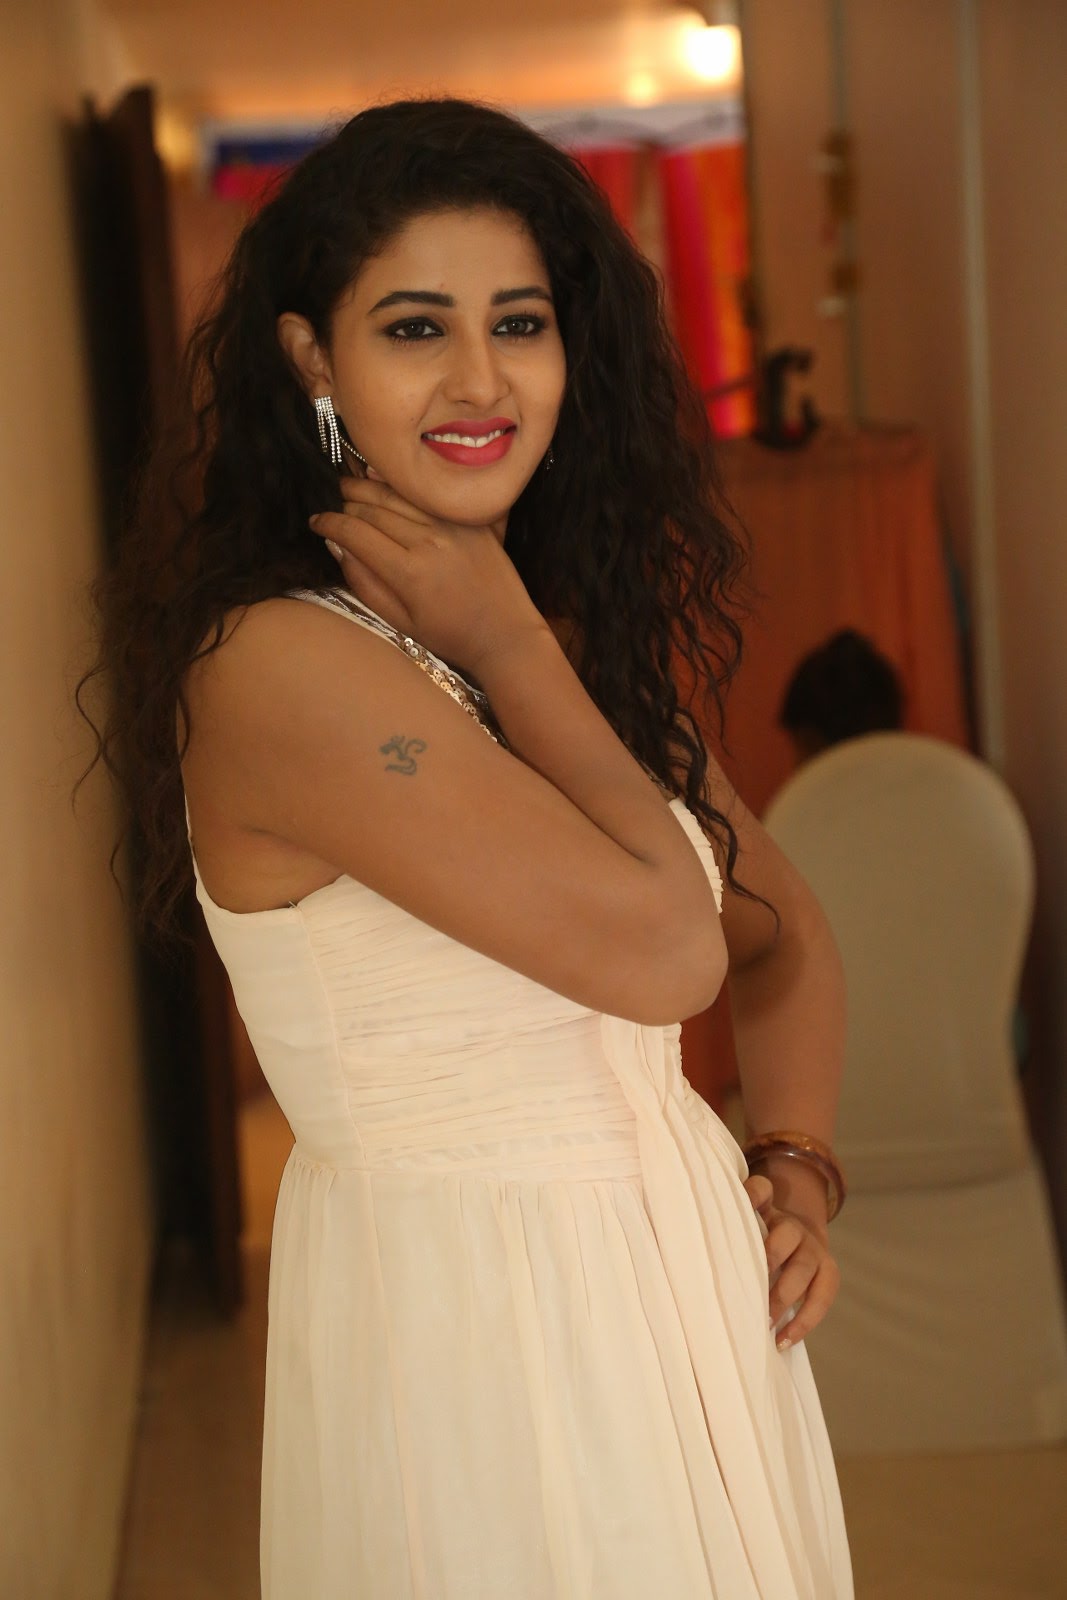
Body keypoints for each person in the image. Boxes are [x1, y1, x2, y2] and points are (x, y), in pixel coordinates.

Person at [83, 98, 854, 1598]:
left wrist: (796, 1168)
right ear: (312, 359)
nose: (479, 379)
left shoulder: (551, 647)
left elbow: (782, 935)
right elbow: (668, 951)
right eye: (413, 328)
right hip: (479, 1330)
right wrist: (506, 644)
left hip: (686, 1298)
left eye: (518, 322)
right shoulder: (280, 666)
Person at [779, 627, 905, 765]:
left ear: (810, 740)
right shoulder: (917, 769)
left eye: (799, 747)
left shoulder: (814, 774)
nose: (795, 765)